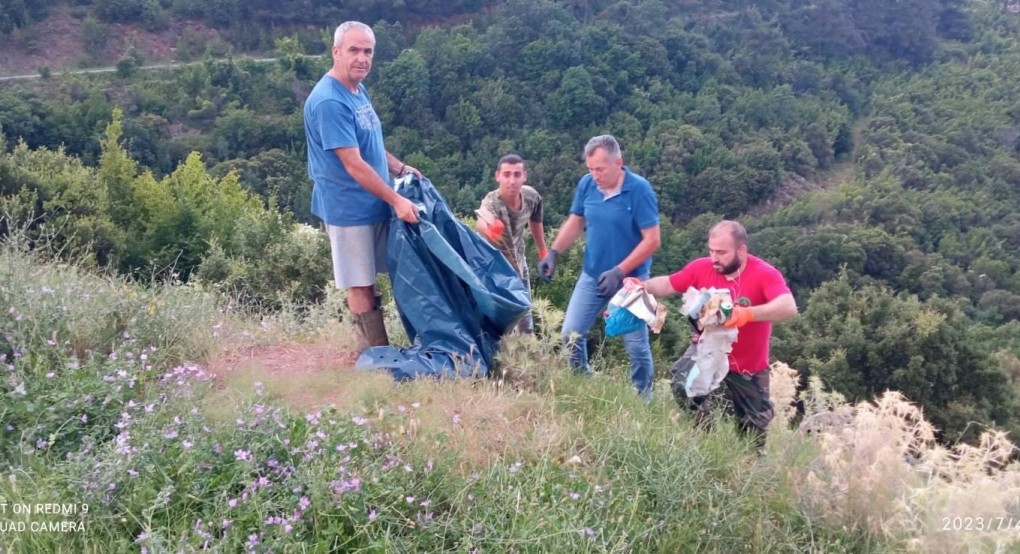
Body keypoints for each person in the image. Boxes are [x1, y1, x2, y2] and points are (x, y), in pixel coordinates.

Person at [303, 21, 422, 352]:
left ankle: (381, 350)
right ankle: (373, 358)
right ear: (336, 51)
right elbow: (353, 163)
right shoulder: (329, 101)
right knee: (360, 283)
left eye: (368, 51)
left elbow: (368, 140)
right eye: (354, 50)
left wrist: (398, 167)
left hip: (373, 201)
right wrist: (397, 200)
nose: (361, 58)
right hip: (347, 208)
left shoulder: (357, 89)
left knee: (385, 275)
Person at [643, 220, 798, 448]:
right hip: (706, 349)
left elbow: (788, 307)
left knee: (752, 434)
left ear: (741, 250)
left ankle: (747, 468)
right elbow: (667, 284)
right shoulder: (701, 267)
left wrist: (746, 314)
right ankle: (705, 439)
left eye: (722, 252)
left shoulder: (764, 273)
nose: (715, 258)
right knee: (681, 384)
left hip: (748, 364)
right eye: (711, 251)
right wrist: (641, 286)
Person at [538, 135, 661, 397]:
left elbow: (652, 240)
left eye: (600, 169)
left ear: (619, 163)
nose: (595, 175)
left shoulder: (640, 190)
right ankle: (581, 381)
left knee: (636, 345)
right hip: (593, 274)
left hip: (631, 280)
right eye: (590, 169)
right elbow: (576, 220)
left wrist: (620, 271)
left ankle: (645, 398)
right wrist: (554, 253)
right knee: (570, 333)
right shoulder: (587, 185)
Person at [475, 154, 549, 334]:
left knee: (525, 317)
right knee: (499, 322)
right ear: (497, 176)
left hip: (519, 263)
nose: (512, 180)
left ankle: (527, 356)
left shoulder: (531, 197)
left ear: (525, 176)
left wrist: (543, 251)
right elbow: (482, 217)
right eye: (507, 174)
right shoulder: (492, 201)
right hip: (494, 270)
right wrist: (489, 228)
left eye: (517, 174)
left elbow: (536, 220)